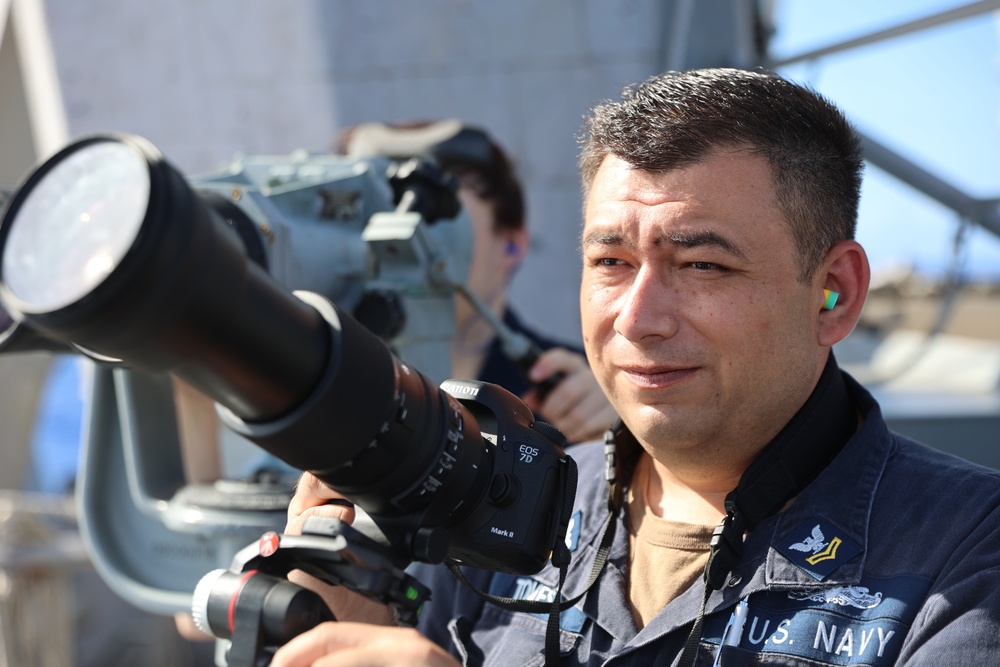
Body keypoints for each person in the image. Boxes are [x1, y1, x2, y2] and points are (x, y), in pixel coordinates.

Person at [270, 67, 1000, 666]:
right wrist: (345, 616)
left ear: (833, 294)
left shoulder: (968, 552)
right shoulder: (494, 497)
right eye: (610, 261)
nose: (639, 316)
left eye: (703, 264)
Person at [341, 120, 617, 444]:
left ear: (512, 244)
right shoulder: (322, 380)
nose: (403, 247)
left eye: (438, 224)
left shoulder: (587, 393)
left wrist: (626, 434)